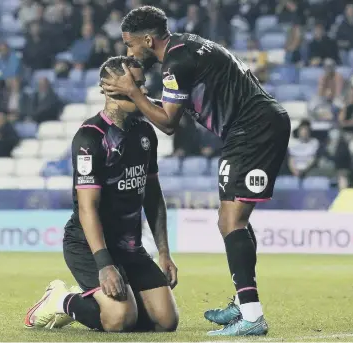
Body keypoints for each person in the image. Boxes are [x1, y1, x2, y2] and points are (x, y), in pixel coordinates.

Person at [101, 6, 291, 336]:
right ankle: (245, 304)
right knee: (233, 221)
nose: (129, 52)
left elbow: (168, 123)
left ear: (147, 40)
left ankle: (251, 316)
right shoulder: (186, 44)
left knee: (231, 221)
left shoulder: (176, 62)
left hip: (253, 127)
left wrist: (133, 93)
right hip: (252, 126)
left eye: (130, 45)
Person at [24, 56, 179, 333]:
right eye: (136, 84)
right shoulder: (90, 138)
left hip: (129, 246)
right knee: (119, 319)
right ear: (111, 88)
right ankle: (61, 299)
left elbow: (153, 196)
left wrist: (164, 252)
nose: (143, 92)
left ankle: (118, 302)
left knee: (166, 321)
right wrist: (105, 264)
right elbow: (88, 209)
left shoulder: (145, 132)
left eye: (143, 84)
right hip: (89, 245)